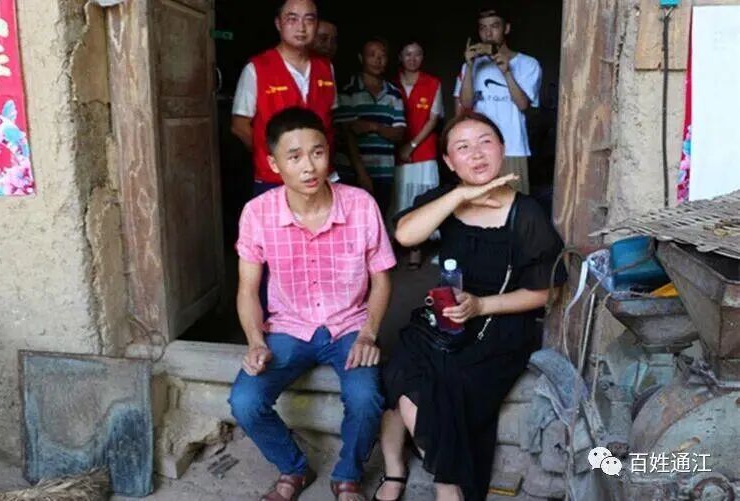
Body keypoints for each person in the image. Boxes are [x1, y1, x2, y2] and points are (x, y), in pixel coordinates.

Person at [373, 111, 567, 501]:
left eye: (485, 142)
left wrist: (481, 305)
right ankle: (398, 470)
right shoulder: (446, 200)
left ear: (502, 149)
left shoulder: (526, 213)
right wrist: (460, 195)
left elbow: (547, 292)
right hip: (443, 318)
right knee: (399, 369)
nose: (476, 154)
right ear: (449, 161)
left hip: (499, 324)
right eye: (462, 148)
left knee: (449, 385)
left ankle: (445, 484)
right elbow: (406, 234)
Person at [229, 107, 396, 501]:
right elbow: (247, 289)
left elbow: (381, 279)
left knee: (366, 398)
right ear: (274, 164)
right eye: (294, 156)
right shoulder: (257, 213)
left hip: (350, 324)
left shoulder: (360, 205)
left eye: (317, 153)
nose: (309, 166)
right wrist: (255, 342)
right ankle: (293, 467)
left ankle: (348, 474)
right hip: (289, 327)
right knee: (245, 401)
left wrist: (369, 333)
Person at [231, 0, 338, 198]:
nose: (301, 27)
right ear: (278, 24)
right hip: (274, 179)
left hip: (321, 177)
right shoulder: (257, 68)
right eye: (292, 19)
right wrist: (275, 156)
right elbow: (240, 126)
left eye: (309, 19)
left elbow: (329, 118)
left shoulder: (326, 68)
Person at [453, 7, 541, 195]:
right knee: (480, 205)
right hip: (478, 149)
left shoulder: (528, 64)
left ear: (506, 29)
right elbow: (466, 104)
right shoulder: (470, 66)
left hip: (513, 148)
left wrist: (507, 72)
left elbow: (523, 105)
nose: (488, 33)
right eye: (483, 28)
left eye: (494, 26)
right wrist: (469, 67)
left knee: (514, 204)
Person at [334, 37, 406, 218]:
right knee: (351, 222)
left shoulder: (394, 93)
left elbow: (399, 134)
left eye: (382, 56)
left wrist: (372, 126)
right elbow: (348, 134)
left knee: (378, 221)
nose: (377, 60)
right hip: (351, 172)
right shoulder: (348, 90)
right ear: (361, 58)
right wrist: (362, 174)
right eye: (372, 55)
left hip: (384, 172)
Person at [394, 40, 444, 269]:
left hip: (423, 151)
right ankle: (395, 243)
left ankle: (416, 248)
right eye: (408, 54)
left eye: (418, 54)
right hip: (395, 151)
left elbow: (433, 119)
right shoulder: (391, 83)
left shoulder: (432, 83)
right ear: (400, 57)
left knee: (421, 200)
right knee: (398, 198)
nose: (412, 59)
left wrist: (411, 145)